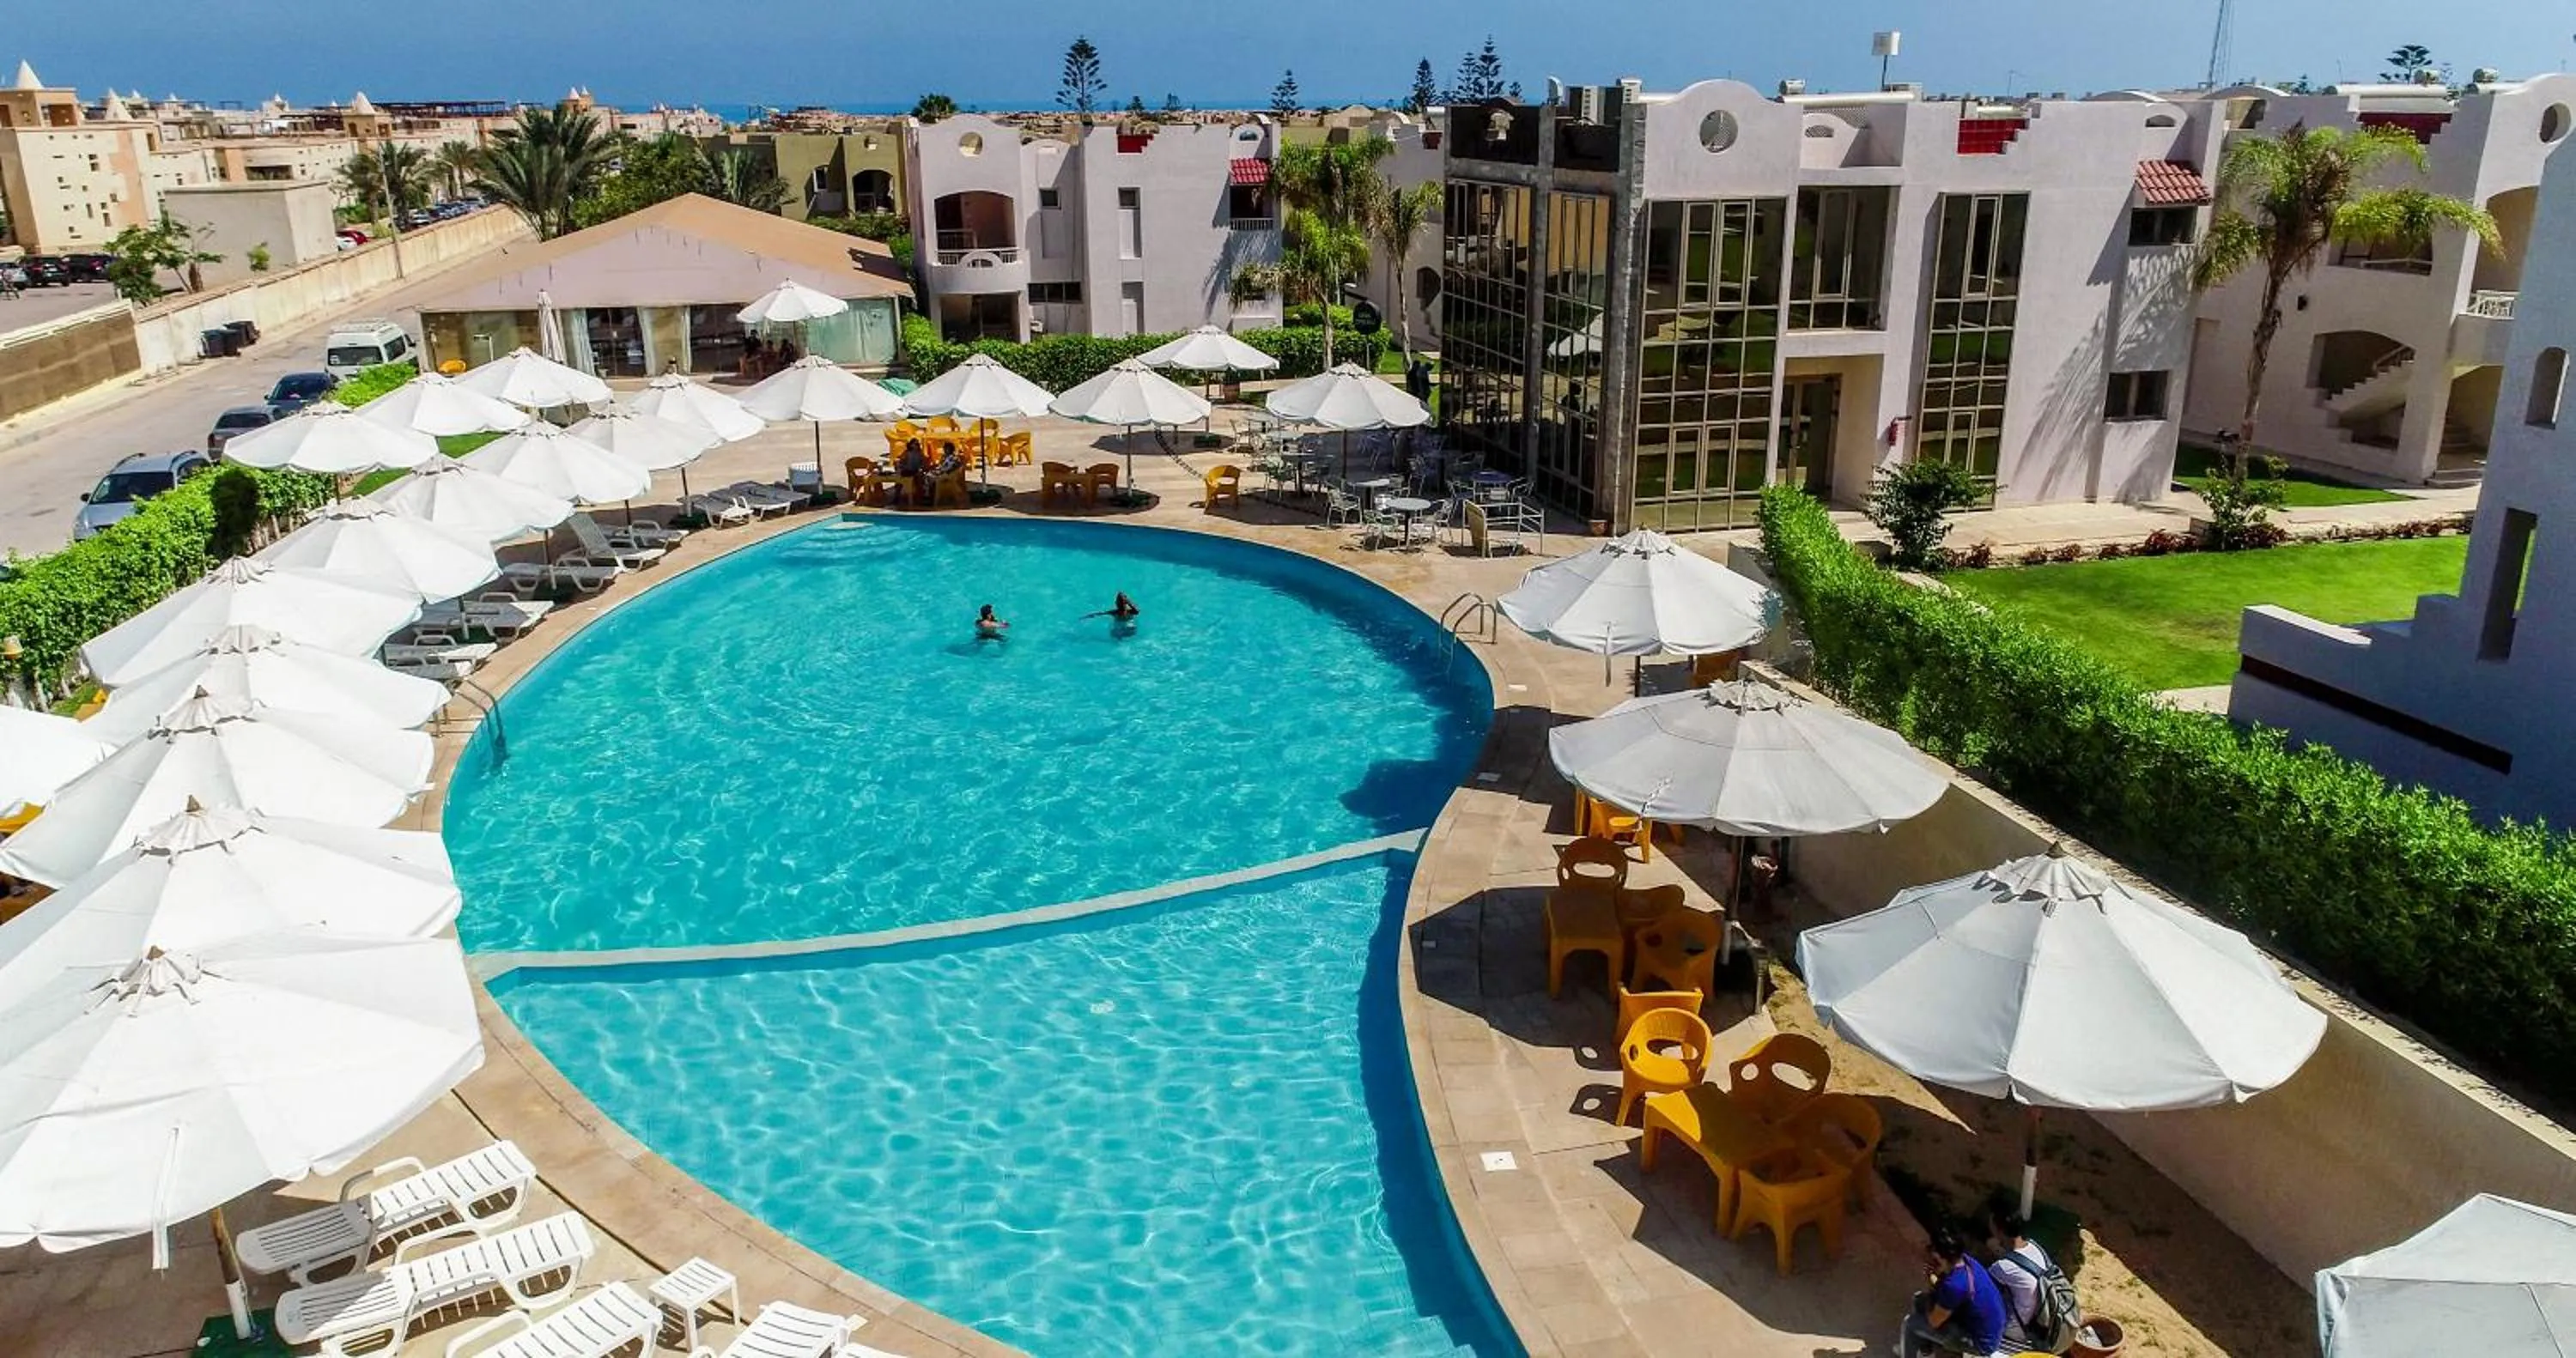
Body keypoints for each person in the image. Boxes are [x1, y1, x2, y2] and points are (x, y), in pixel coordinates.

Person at [1899, 1226, 2008, 1358]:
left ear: (1939, 1255)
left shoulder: (1954, 1286)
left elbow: (1934, 1321)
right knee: (1919, 1300)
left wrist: (1931, 1283)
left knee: (1911, 1324)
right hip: (1988, 1328)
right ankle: (1925, 1351)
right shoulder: (1967, 1261)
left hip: (1980, 1343)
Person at [1987, 1209, 2069, 1355]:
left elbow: (1983, 1291)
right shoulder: (2035, 1247)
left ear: (1999, 1231)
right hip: (2044, 1319)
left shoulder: (2002, 1268)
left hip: (2019, 1331)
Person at [896, 438, 931, 506]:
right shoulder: (907, 453)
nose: (917, 446)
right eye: (916, 444)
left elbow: (923, 462)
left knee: (920, 479)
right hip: (907, 470)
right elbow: (900, 460)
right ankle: (896, 497)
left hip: (915, 470)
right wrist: (900, 465)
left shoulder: (920, 453)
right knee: (899, 481)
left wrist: (923, 467)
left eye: (918, 444)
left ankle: (920, 498)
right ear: (911, 445)